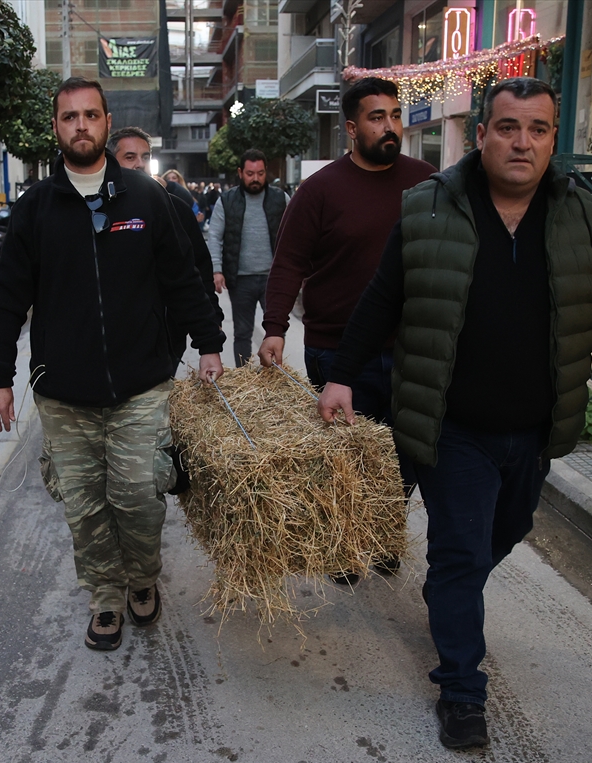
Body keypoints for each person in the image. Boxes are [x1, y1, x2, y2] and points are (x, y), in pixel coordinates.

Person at [316, 78, 592, 750]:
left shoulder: (579, 215)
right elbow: (382, 300)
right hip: (452, 427)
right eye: (507, 127)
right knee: (461, 550)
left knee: (500, 537)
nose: (521, 142)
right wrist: (341, 379)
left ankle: (453, 593)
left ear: (553, 139)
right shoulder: (428, 208)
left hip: (533, 427)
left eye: (536, 129)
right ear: (482, 135)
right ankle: (462, 690)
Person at [0, 77, 225, 653]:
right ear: (57, 128)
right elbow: (7, 297)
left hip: (141, 385)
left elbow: (182, 280)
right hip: (64, 395)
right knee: (84, 505)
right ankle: (105, 596)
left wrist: (211, 342)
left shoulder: (146, 199)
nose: (81, 125)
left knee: (138, 493)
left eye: (91, 115)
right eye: (69, 117)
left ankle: (141, 578)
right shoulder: (36, 207)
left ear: (107, 124)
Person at [258, 78, 435, 499]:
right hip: (337, 349)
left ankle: (387, 532)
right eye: (377, 118)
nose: (389, 126)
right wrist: (274, 327)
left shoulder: (427, 181)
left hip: (411, 348)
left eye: (395, 115)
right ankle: (344, 555)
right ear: (352, 129)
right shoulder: (320, 189)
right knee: (346, 461)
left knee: (404, 458)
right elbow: (289, 262)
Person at [107, 126, 222, 372]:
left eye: (145, 157)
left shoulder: (176, 209)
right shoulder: (100, 212)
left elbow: (198, 271)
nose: (139, 164)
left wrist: (211, 324)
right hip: (114, 342)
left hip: (166, 337)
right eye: (130, 157)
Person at [205, 149, 287, 367]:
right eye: (250, 174)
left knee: (276, 329)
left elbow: (295, 234)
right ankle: (244, 378)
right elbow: (215, 236)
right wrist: (216, 269)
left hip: (274, 278)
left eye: (260, 173)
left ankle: (275, 374)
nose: (256, 179)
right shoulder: (227, 200)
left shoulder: (281, 199)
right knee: (242, 332)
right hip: (240, 279)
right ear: (240, 172)